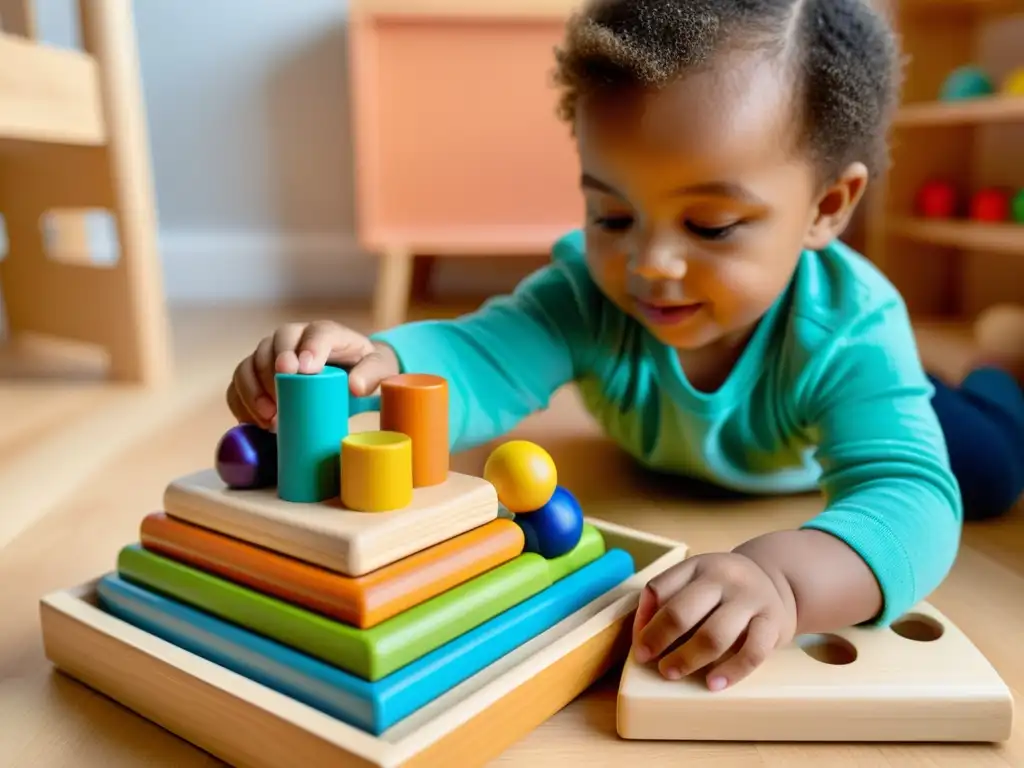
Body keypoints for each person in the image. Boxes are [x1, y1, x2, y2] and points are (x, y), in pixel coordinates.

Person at [226, 0, 1023, 693]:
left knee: (986, 466)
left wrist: (783, 578)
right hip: (748, 428)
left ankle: (999, 363)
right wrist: (375, 367)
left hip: (852, 400)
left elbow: (911, 499)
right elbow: (482, 355)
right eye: (611, 215)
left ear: (828, 206)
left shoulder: (851, 328)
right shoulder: (587, 293)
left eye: (710, 226)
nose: (649, 264)